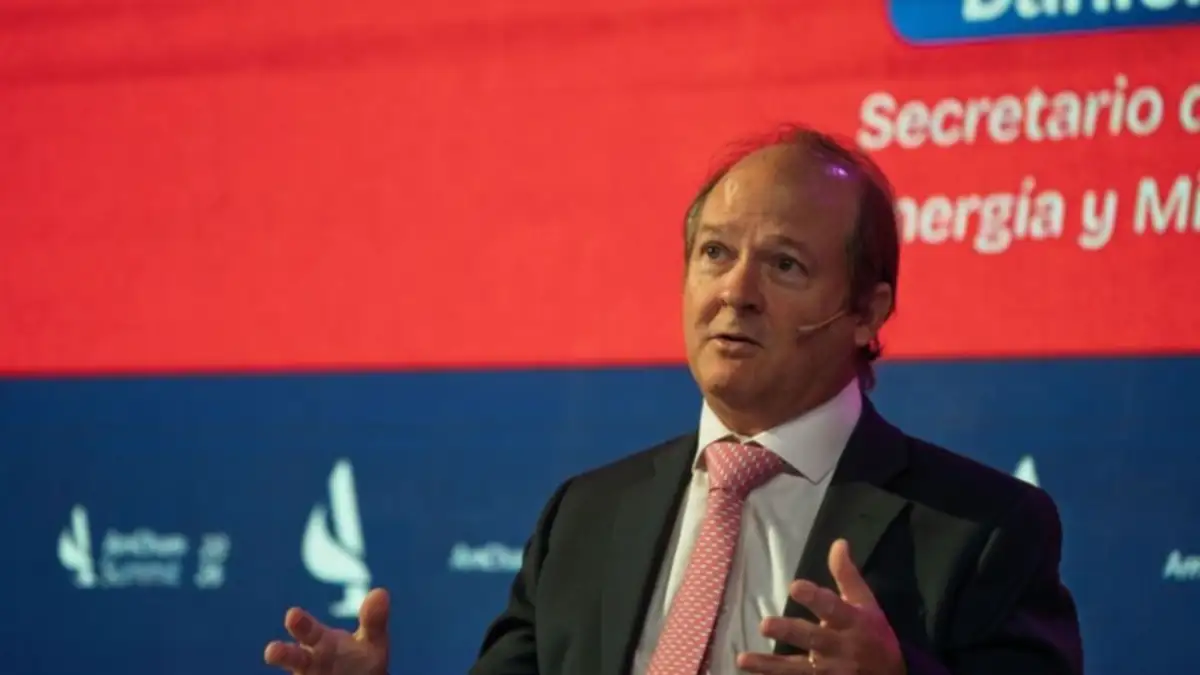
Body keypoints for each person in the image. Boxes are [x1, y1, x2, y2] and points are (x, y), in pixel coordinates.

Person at [263, 125, 1085, 675]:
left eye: (785, 265)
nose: (736, 292)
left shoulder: (982, 529)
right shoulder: (585, 516)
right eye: (715, 253)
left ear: (868, 313)